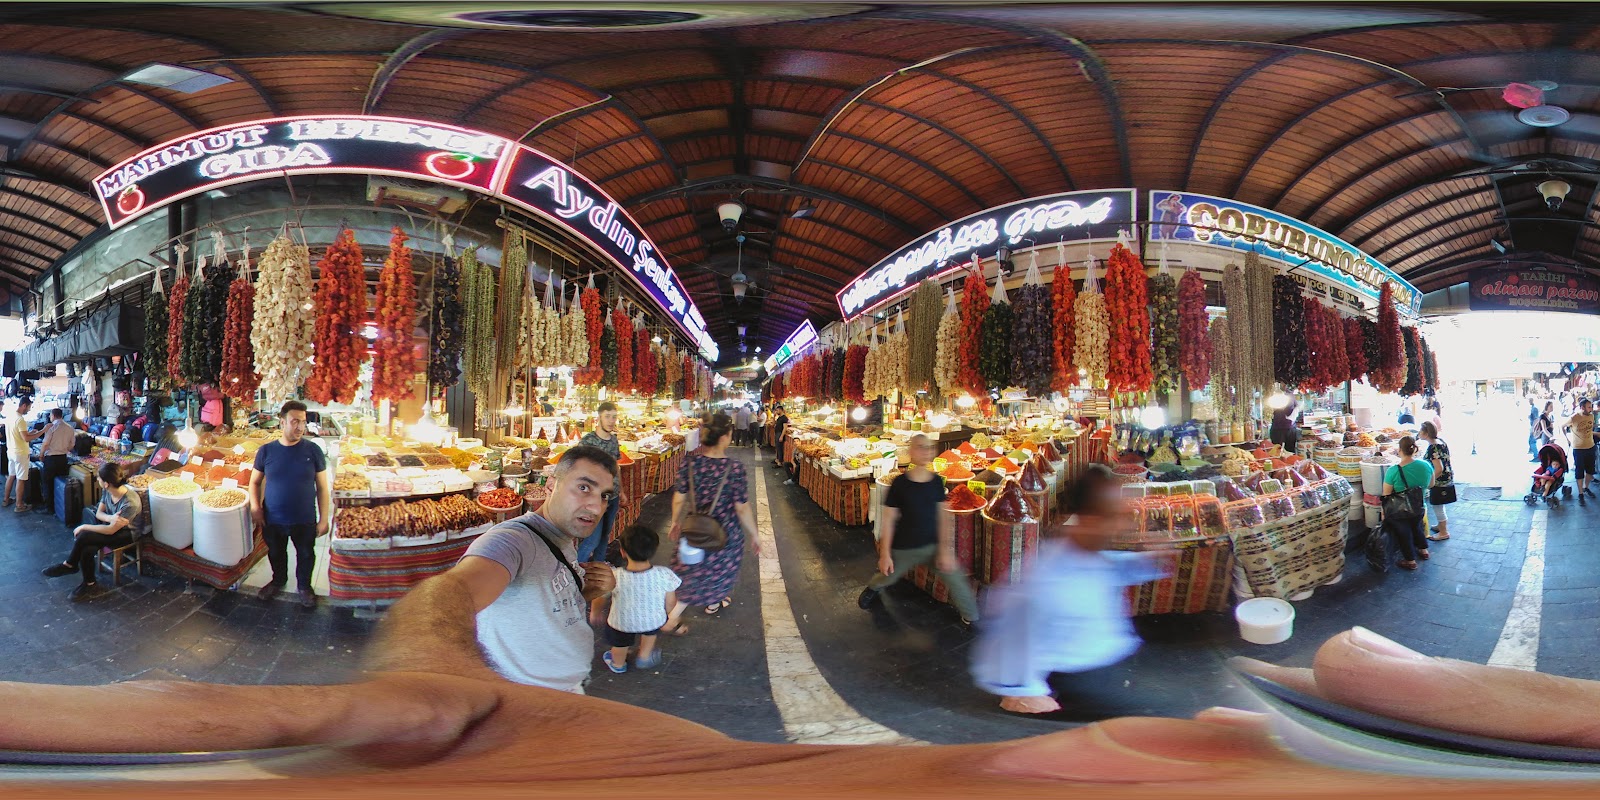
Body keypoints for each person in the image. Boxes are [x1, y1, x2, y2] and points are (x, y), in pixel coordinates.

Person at [970, 464, 1169, 714]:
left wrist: (1148, 563)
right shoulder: (1047, 580)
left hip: (1108, 672)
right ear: (1088, 520)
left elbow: (1108, 571)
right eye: (1112, 517)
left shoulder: (1090, 555)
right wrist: (1023, 691)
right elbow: (1009, 632)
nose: (1121, 526)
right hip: (1077, 690)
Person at [434, 444, 618, 691]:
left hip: (565, 692)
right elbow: (448, 600)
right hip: (526, 702)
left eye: (604, 495)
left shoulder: (562, 539)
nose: (596, 507)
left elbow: (544, 604)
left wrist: (588, 591)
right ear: (551, 485)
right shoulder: (512, 540)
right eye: (584, 488)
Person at [857, 433, 981, 624]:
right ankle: (873, 588)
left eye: (929, 448)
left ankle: (971, 618)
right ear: (911, 452)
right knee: (886, 578)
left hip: (932, 546)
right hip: (904, 547)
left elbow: (943, 518)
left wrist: (945, 550)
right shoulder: (899, 484)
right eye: (921, 447)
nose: (926, 452)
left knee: (956, 579)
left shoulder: (936, 483)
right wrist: (885, 554)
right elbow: (888, 521)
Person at [665, 413, 757, 631]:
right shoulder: (734, 468)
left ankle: (713, 601)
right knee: (719, 569)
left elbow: (679, 497)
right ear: (725, 437)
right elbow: (741, 507)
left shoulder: (690, 463)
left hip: (695, 528)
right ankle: (679, 615)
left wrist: (675, 522)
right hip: (725, 533)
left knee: (695, 569)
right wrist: (755, 534)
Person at [249, 400, 333, 610]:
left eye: (303, 422)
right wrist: (255, 507)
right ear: (282, 422)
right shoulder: (266, 451)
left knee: (306, 553)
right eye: (295, 421)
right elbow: (254, 482)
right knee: (276, 552)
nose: (300, 427)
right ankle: (278, 581)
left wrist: (324, 518)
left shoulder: (313, 450)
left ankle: (304, 587)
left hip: (304, 518)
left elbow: (323, 487)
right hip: (273, 517)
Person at [40, 462, 141, 601]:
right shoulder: (108, 490)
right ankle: (89, 583)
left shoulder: (130, 503)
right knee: (87, 549)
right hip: (111, 527)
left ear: (106, 483)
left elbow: (111, 530)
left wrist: (84, 526)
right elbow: (99, 513)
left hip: (127, 534)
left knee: (84, 535)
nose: (98, 480)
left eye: (99, 478)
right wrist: (111, 517)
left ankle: (70, 564)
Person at [600, 524, 680, 674]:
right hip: (652, 620)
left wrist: (595, 612)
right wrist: (671, 618)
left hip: (621, 622)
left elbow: (601, 595)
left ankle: (618, 664)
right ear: (653, 550)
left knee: (620, 643)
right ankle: (644, 656)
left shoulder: (614, 575)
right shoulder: (664, 574)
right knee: (650, 633)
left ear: (622, 552)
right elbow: (670, 602)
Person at [576, 401, 626, 564]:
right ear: (599, 418)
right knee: (592, 539)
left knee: (605, 536)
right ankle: (574, 571)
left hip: (613, 495)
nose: (611, 421)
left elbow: (616, 466)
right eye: (607, 417)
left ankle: (598, 566)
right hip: (595, 498)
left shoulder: (614, 440)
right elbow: (578, 469)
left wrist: (622, 491)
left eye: (614, 417)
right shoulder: (588, 441)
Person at [1381, 436, 1434, 571]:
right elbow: (1431, 484)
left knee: (1404, 532)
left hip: (1401, 510)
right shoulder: (1426, 465)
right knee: (1417, 526)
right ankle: (1424, 551)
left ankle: (1410, 561)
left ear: (1400, 450)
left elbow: (1386, 495)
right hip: (1419, 506)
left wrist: (1383, 514)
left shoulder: (1393, 470)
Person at [1418, 421, 1456, 541]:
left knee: (1437, 506)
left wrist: (1429, 481)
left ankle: (1444, 532)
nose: (1419, 433)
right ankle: (1440, 526)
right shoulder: (1441, 442)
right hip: (1447, 477)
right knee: (1440, 504)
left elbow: (1439, 469)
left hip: (1440, 481)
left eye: (1420, 431)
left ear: (1426, 433)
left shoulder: (1432, 448)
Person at [3, 397, 40, 512]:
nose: (29, 409)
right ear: (24, 405)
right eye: (28, 407)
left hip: (11, 451)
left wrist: (30, 432)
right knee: (21, 479)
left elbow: (18, 434)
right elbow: (26, 438)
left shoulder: (10, 417)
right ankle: (19, 505)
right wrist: (42, 431)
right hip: (20, 453)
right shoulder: (20, 420)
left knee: (11, 475)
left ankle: (6, 499)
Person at [37, 408, 76, 515]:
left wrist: (41, 455)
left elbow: (45, 444)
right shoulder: (70, 428)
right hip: (63, 459)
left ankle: (49, 508)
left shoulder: (51, 427)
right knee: (60, 484)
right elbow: (72, 445)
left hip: (50, 460)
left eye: (50, 416)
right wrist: (64, 449)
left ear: (53, 416)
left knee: (47, 484)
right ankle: (61, 508)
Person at [1567, 397, 1596, 506]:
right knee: (1579, 473)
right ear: (1582, 407)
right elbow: (1562, 426)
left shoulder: (1592, 416)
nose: (1591, 409)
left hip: (1590, 447)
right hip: (1578, 449)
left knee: (1590, 471)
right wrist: (1568, 439)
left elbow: (1588, 430)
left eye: (1591, 406)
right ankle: (1580, 494)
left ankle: (1586, 488)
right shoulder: (1574, 417)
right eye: (1589, 407)